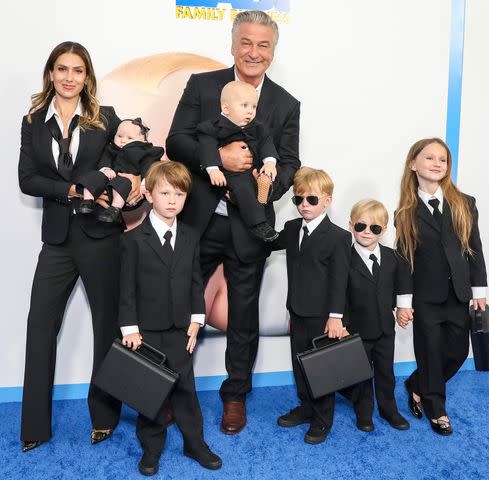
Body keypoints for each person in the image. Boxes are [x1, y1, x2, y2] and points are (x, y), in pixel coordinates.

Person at [166, 10, 300, 434]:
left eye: (263, 45)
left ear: (274, 51)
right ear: (232, 44)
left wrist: (264, 186)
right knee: (178, 306)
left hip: (249, 227)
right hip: (198, 221)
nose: (253, 52)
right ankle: (169, 390)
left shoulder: (286, 103)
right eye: (246, 42)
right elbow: (176, 141)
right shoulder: (203, 86)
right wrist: (218, 160)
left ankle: (235, 395)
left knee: (243, 315)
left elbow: (291, 164)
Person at [17, 41, 142, 452]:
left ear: (86, 76)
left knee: (106, 328)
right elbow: (28, 180)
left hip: (100, 237)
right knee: (39, 329)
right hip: (56, 240)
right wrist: (71, 187)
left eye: (77, 70)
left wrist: (133, 184)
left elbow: (134, 153)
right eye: (61, 69)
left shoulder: (105, 119)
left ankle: (104, 417)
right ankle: (35, 425)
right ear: (50, 73)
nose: (69, 77)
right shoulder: (34, 120)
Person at [119, 161, 222, 476]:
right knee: (150, 391)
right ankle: (151, 448)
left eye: (179, 194)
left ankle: (195, 442)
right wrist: (130, 329)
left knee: (185, 389)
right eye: (165, 193)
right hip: (146, 330)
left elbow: (195, 281)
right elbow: (126, 290)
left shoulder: (191, 236)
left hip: (181, 329)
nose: (173, 200)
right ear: (149, 194)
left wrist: (197, 319)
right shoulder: (133, 240)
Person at [395, 138, 487, 436]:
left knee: (458, 352)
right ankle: (437, 409)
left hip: (459, 294)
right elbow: (405, 260)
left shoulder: (465, 203)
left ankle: (417, 384)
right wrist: (404, 302)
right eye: (429, 158)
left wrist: (479, 292)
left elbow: (475, 249)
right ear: (413, 164)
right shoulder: (405, 213)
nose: (437, 163)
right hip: (425, 297)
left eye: (442, 160)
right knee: (430, 351)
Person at [272, 167, 351, 445]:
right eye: (299, 199)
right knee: (299, 364)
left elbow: (339, 281)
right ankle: (306, 408)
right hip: (297, 310)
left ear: (327, 201)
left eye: (312, 200)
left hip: (324, 316)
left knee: (321, 368)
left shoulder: (339, 237)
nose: (305, 205)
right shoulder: (292, 228)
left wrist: (335, 317)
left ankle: (322, 419)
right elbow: (266, 244)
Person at [346, 199, 410, 432]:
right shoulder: (344, 258)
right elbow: (338, 295)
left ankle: (388, 409)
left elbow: (403, 284)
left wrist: (404, 307)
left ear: (383, 230)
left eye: (374, 228)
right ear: (350, 225)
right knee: (361, 374)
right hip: (356, 330)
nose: (366, 232)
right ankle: (364, 412)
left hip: (385, 329)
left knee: (386, 372)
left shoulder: (393, 257)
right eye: (360, 226)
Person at [197, 80, 279, 242]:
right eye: (245, 105)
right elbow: (207, 147)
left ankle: (260, 189)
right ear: (226, 108)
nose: (250, 111)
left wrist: (269, 162)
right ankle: (259, 224)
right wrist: (213, 169)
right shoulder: (211, 127)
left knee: (260, 179)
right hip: (231, 172)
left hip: (253, 169)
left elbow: (266, 142)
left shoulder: (258, 127)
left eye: (254, 107)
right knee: (242, 186)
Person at [76, 118, 164, 223]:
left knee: (122, 182)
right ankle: (87, 201)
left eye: (130, 138)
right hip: (106, 185)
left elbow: (149, 166)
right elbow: (105, 159)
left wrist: (144, 182)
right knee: (93, 176)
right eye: (119, 136)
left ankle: (114, 210)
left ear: (143, 141)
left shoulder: (145, 152)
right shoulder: (111, 149)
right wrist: (105, 169)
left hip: (127, 190)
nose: (123, 140)